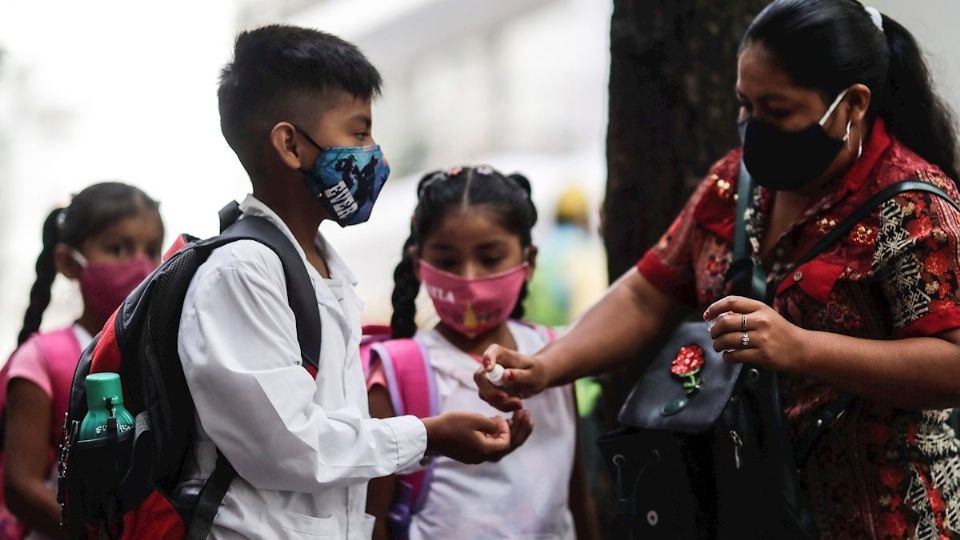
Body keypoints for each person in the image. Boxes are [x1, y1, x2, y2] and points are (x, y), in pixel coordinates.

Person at [476, 1, 960, 537]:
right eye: (744, 106)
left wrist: (801, 348)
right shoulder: (736, 183)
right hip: (740, 507)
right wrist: (547, 365)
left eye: (777, 111)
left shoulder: (913, 207)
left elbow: (952, 364)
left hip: (880, 517)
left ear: (851, 105)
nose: (753, 128)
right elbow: (647, 292)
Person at [177, 26, 526, 539]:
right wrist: (426, 436)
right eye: (359, 134)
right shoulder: (244, 272)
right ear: (291, 145)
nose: (373, 154)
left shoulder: (319, 266)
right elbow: (288, 448)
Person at [365, 165, 599, 540]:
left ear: (529, 261)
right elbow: (371, 520)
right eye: (446, 262)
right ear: (418, 264)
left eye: (490, 259)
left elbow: (576, 497)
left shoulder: (554, 357)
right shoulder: (394, 373)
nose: (469, 279)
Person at [0, 183, 164, 540]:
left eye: (151, 250)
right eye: (117, 248)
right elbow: (20, 486)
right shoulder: (43, 358)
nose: (140, 265)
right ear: (67, 262)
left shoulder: (163, 354)